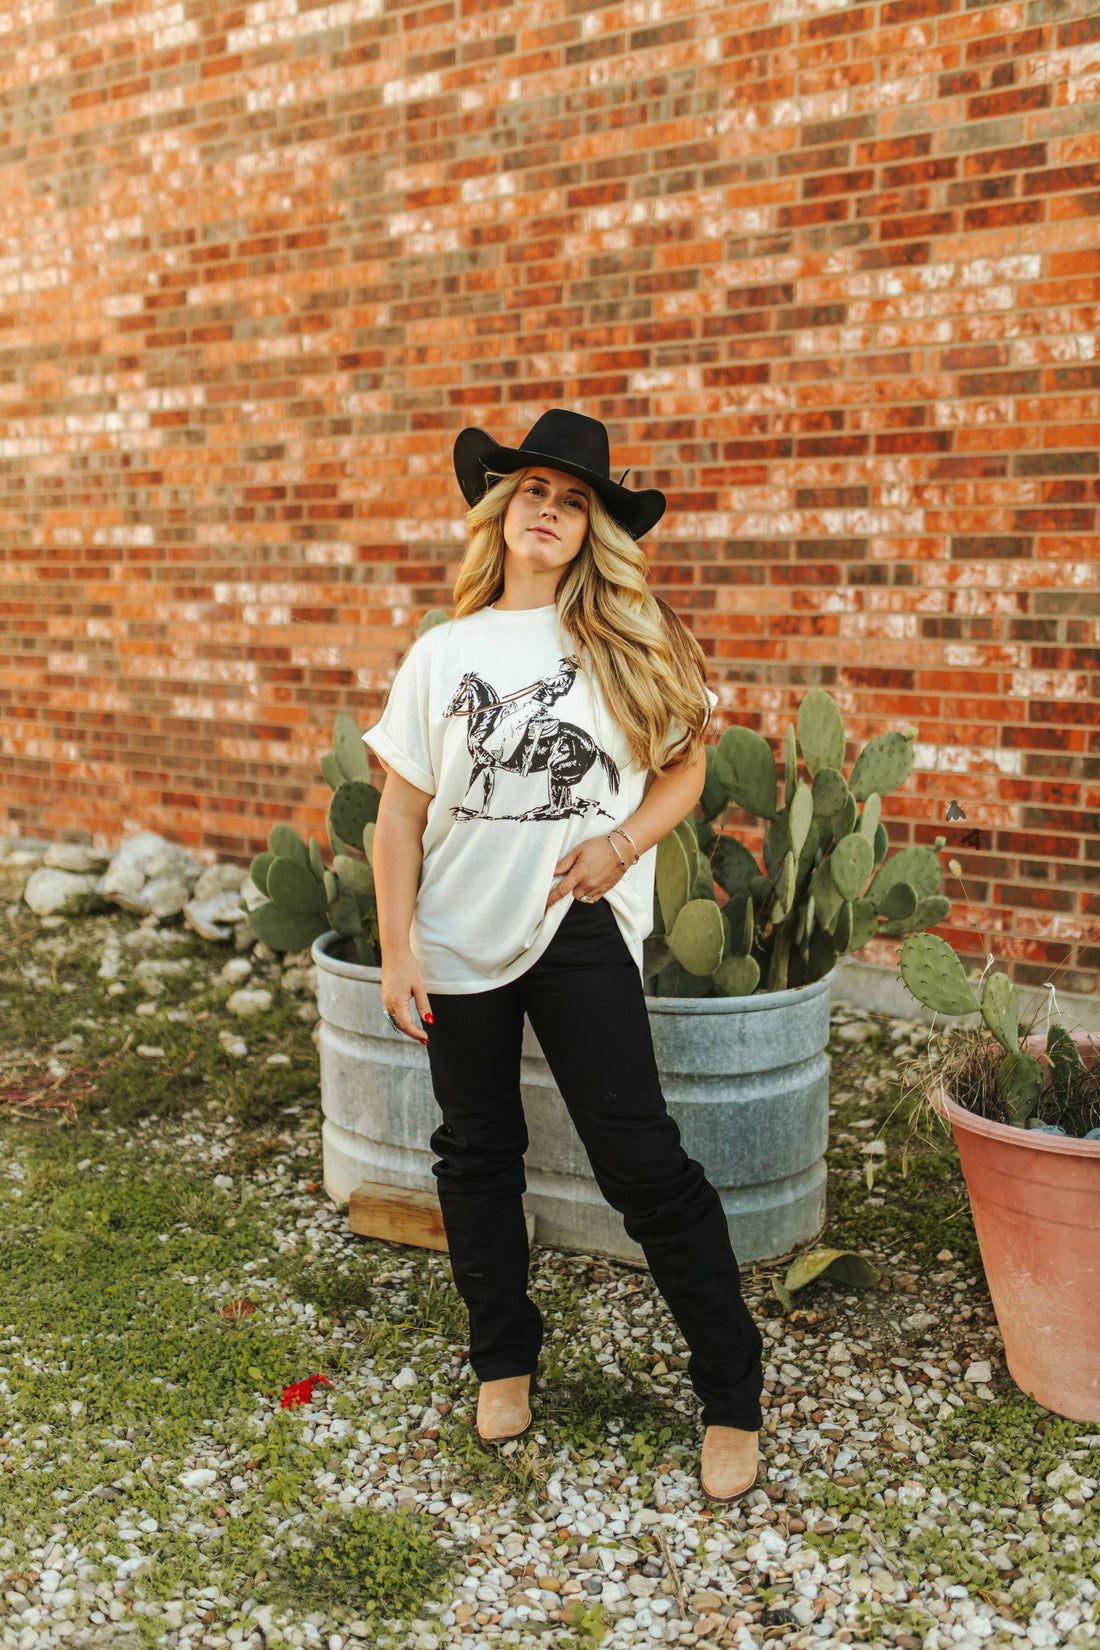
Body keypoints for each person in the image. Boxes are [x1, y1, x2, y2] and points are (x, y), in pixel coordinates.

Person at [363, 408, 765, 1503]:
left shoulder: (622, 640)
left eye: (573, 501)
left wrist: (621, 844)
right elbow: (396, 816)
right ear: (502, 510)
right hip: (453, 934)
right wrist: (396, 948)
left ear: (592, 531)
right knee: (475, 1154)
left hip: (574, 927)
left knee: (641, 1161)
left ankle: (730, 1392)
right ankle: (503, 1359)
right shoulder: (443, 653)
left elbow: (684, 767)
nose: (548, 510)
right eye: (533, 491)